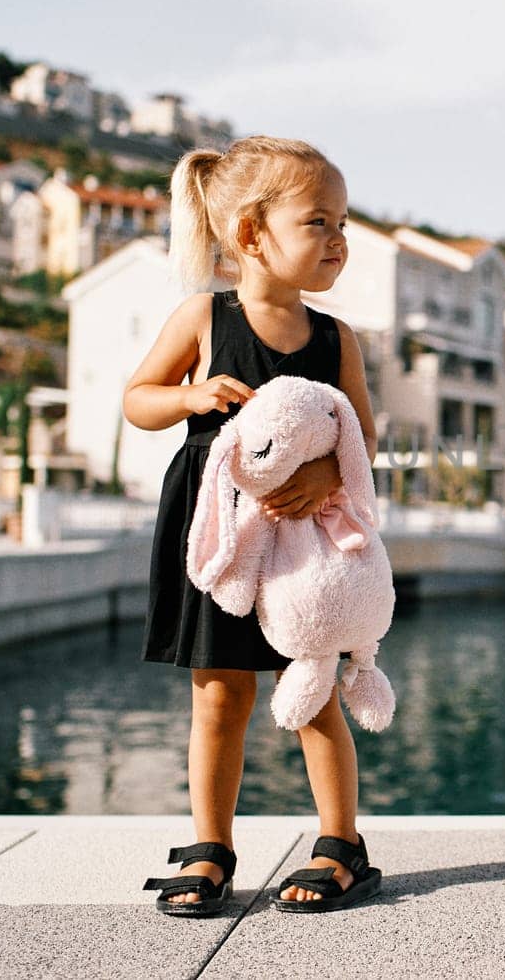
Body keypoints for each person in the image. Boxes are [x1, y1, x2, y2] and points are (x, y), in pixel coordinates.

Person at [124, 136, 381, 916]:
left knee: (314, 690)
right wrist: (189, 400)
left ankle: (342, 845)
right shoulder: (204, 315)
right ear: (249, 234)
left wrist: (325, 474)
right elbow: (139, 399)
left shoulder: (337, 340)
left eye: (343, 223)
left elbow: (363, 439)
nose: (339, 240)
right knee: (217, 694)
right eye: (319, 222)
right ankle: (211, 847)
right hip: (221, 533)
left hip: (302, 546)